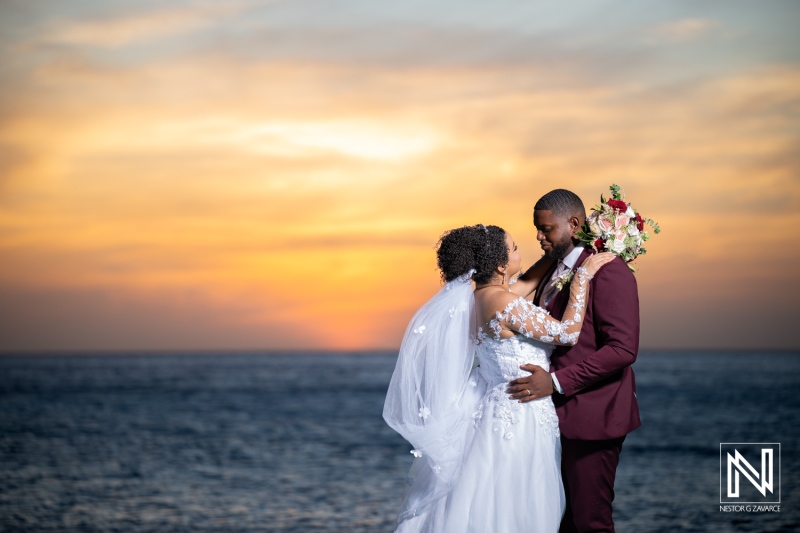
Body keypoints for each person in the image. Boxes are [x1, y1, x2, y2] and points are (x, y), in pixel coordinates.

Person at [383, 223, 615, 533]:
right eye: (516, 248)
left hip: (497, 409)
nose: (523, 251)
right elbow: (568, 333)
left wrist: (558, 252)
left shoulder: (481, 297)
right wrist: (582, 277)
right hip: (519, 415)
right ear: (501, 264)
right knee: (517, 506)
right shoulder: (504, 302)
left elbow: (530, 279)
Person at [506, 189, 642, 533]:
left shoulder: (609, 271)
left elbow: (623, 349)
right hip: (551, 417)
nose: (538, 236)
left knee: (590, 522)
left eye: (546, 229)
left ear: (574, 224)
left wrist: (553, 382)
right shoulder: (553, 270)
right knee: (560, 521)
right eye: (536, 228)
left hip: (593, 417)